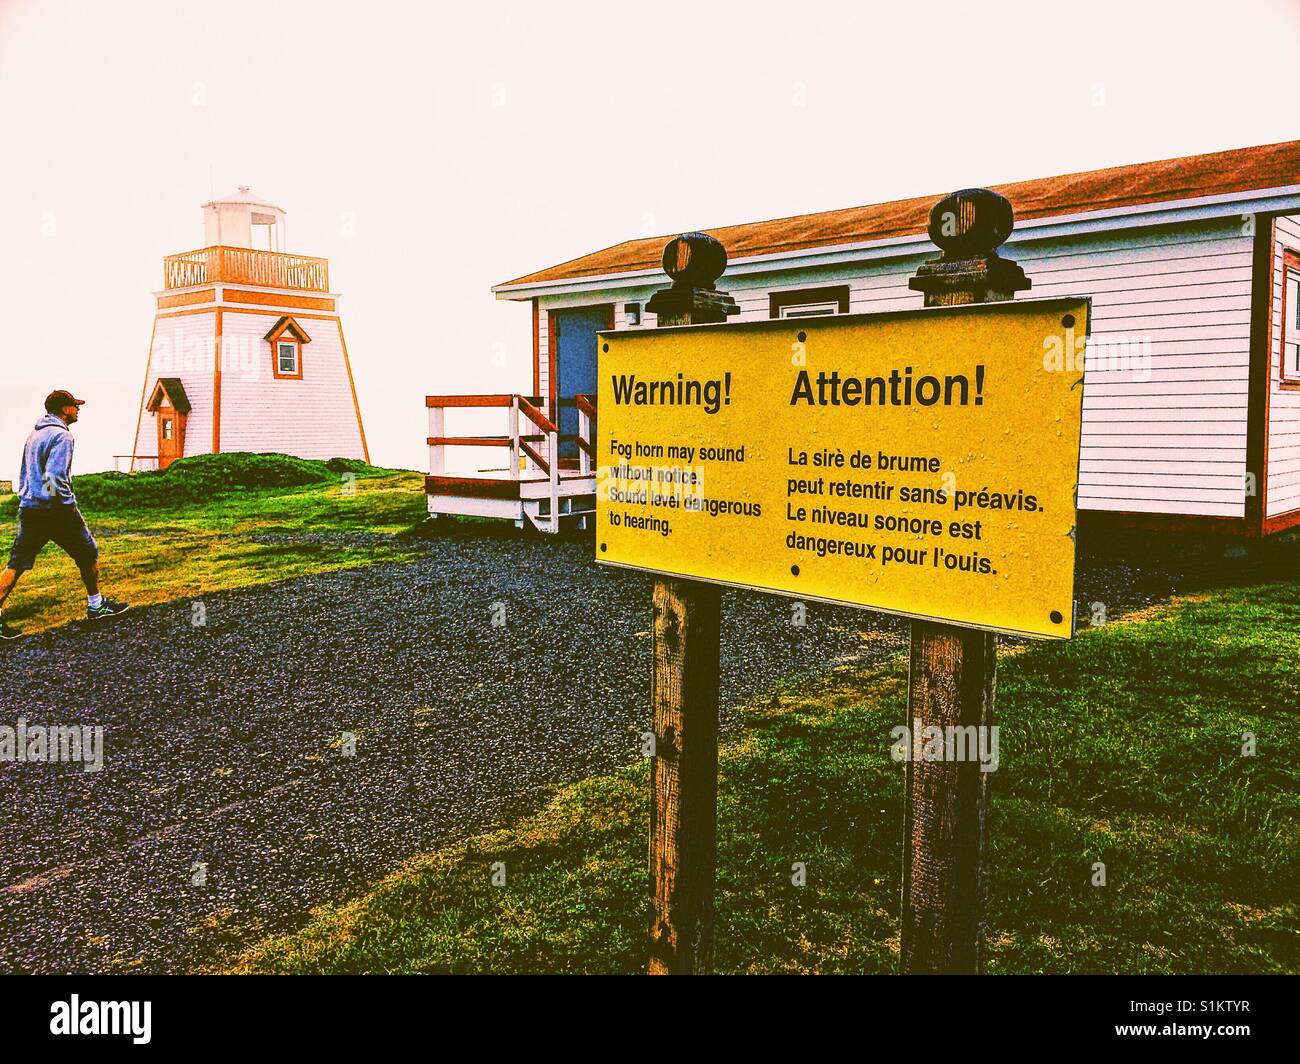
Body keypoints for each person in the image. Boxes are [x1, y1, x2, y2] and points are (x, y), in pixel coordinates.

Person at [0, 390, 128, 640]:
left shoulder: (35, 434)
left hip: (30, 508)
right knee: (88, 552)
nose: (78, 410)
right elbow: (54, 477)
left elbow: (30, 474)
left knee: (16, 563)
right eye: (74, 406)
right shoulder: (62, 436)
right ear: (64, 409)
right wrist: (66, 504)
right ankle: (96, 605)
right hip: (56, 511)